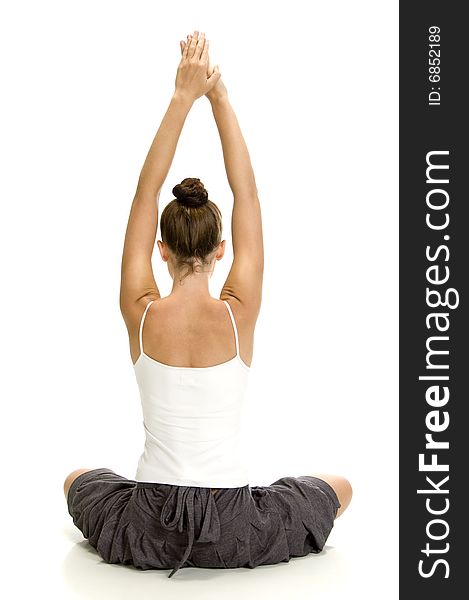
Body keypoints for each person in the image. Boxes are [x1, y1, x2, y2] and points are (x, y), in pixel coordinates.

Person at [64, 30, 352, 579]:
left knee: (76, 479)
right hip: (233, 523)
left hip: (149, 523)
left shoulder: (140, 310)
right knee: (340, 487)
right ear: (221, 251)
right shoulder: (239, 311)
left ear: (162, 250)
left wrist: (181, 98)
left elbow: (144, 196)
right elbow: (247, 193)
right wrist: (218, 97)